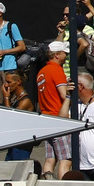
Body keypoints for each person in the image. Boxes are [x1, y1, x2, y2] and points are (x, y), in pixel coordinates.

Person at [36, 41, 73, 178]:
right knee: (65, 159)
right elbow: (64, 95)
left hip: (47, 119)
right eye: (65, 53)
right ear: (57, 55)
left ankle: (47, 183)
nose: (66, 56)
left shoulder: (41, 72)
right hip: (59, 119)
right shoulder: (56, 70)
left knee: (50, 158)